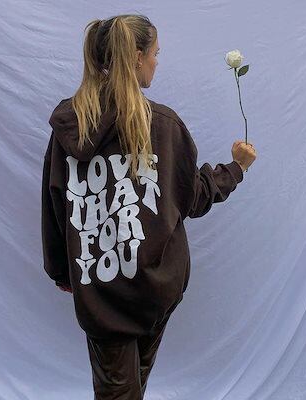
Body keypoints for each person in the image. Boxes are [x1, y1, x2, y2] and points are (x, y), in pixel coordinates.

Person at [41, 14, 256, 400]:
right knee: (128, 386)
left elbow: (57, 202)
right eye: (156, 53)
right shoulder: (164, 125)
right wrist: (235, 168)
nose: (157, 61)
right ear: (137, 57)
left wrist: (61, 270)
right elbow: (193, 197)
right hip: (157, 284)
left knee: (121, 388)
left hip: (100, 288)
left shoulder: (72, 127)